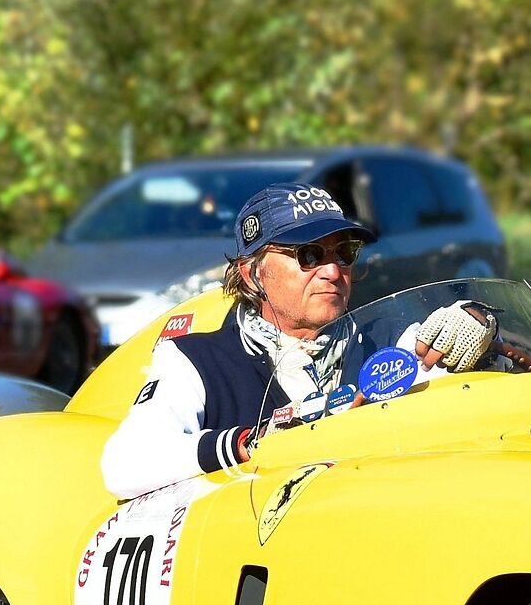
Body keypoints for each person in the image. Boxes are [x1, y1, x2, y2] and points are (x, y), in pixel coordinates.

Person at [99, 185, 381, 499]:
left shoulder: (386, 339)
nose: (332, 271)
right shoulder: (195, 359)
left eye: (344, 253)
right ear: (252, 274)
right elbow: (123, 465)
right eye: (309, 255)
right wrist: (247, 444)